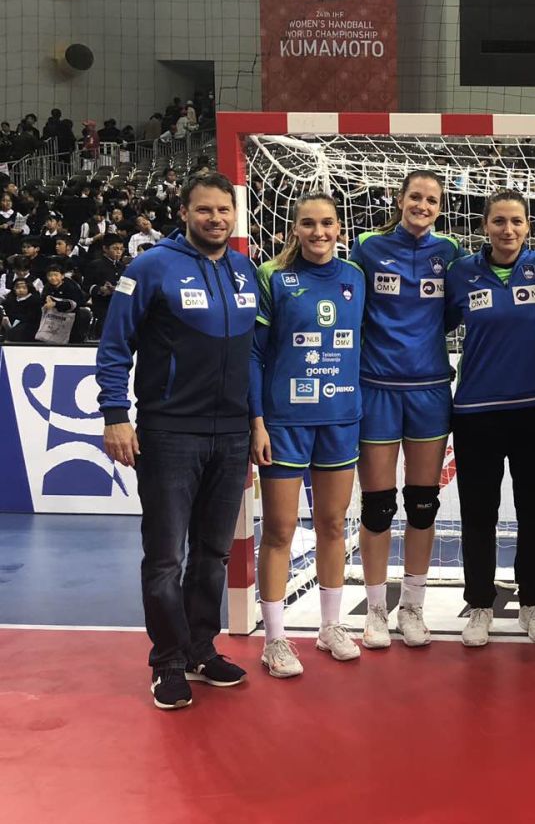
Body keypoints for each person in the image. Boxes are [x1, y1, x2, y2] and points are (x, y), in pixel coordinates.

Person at [96, 172, 257, 710]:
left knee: (213, 553)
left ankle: (199, 650)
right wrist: (115, 415)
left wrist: (254, 422)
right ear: (184, 212)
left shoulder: (243, 269)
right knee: (166, 556)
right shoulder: (149, 268)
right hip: (169, 433)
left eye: (224, 210)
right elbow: (114, 345)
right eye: (204, 210)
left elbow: (252, 355)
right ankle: (167, 661)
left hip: (231, 434)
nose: (216, 219)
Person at [249, 192, 366, 678]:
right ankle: (275, 639)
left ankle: (330, 626)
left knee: (333, 525)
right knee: (279, 530)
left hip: (340, 418)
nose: (319, 232)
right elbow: (254, 354)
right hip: (284, 422)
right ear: (294, 229)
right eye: (309, 223)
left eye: (327, 223)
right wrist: (257, 421)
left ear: (340, 229)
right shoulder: (272, 276)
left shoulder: (355, 276)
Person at [444, 190, 535, 648]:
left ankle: (533, 601)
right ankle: (479, 604)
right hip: (476, 412)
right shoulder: (460, 273)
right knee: (479, 513)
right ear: (485, 226)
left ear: (528, 226)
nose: (507, 229)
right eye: (499, 221)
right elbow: (433, 323)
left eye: (516, 221)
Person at [349, 171, 462, 649]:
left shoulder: (449, 252)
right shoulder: (367, 247)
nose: (423, 205)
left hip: (430, 389)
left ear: (440, 207)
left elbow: (452, 313)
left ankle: (412, 606)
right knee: (377, 506)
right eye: (416, 196)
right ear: (400, 199)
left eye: (432, 200)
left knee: (422, 503)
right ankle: (376, 609)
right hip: (376, 387)